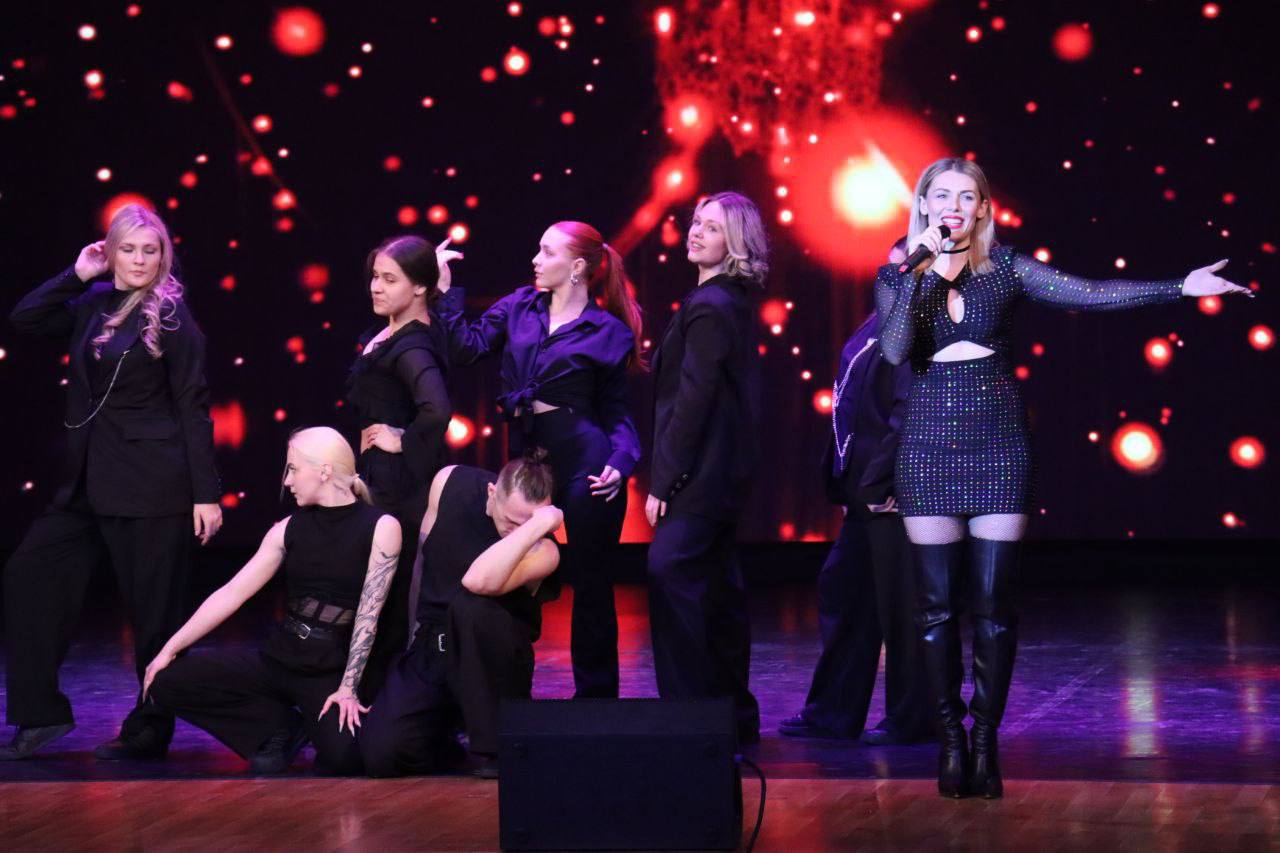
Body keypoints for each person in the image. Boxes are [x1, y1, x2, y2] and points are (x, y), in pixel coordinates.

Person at [875, 157, 1252, 798]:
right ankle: (950, 743)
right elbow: (892, 350)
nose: (954, 207)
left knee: (994, 608)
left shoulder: (1008, 268)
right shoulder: (897, 275)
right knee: (935, 611)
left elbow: (1091, 293)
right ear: (925, 205)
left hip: (998, 448)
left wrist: (1179, 288)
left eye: (967, 197)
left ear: (983, 209)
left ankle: (985, 741)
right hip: (928, 451)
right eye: (942, 195)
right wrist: (920, 270)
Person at [1, 204, 221, 762]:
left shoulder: (172, 316)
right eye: (128, 249)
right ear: (110, 252)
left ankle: (150, 728)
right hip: (85, 483)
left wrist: (205, 493)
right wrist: (77, 273)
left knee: (155, 616)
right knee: (28, 574)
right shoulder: (91, 304)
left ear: (163, 255)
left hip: (152, 484)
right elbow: (25, 319)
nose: (140, 260)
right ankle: (40, 714)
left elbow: (192, 406)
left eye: (151, 250)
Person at [435, 222, 642, 698]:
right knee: (515, 564)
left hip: (586, 458)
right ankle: (505, 687)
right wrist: (445, 292)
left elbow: (615, 411)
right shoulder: (519, 306)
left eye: (547, 252)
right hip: (529, 454)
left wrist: (623, 459)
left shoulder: (607, 332)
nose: (535, 259)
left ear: (576, 267)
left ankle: (596, 699)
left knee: (590, 578)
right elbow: (466, 347)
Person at [145, 428, 399, 775]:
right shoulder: (287, 528)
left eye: (293, 469)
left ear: (324, 470)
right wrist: (169, 649)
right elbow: (232, 593)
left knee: (344, 758)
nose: (287, 481)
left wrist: (347, 689)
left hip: (329, 669)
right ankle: (280, 727)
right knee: (166, 681)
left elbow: (369, 617)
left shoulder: (381, 527)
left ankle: (307, 723)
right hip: (282, 657)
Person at [779, 240, 930, 745]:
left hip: (892, 492)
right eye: (892, 265)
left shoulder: (918, 325)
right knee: (846, 592)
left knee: (902, 607)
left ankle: (914, 718)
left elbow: (908, 411)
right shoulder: (878, 322)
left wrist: (886, 480)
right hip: (865, 491)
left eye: (906, 265)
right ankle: (832, 713)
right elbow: (853, 403)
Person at [645, 191, 768, 744]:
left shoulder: (713, 306)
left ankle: (692, 717)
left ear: (735, 243)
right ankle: (730, 714)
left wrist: (664, 479)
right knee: (716, 587)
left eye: (712, 227)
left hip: (702, 473)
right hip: (719, 471)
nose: (697, 232)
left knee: (669, 569)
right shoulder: (722, 301)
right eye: (696, 222)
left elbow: (692, 400)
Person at [359, 453, 562, 778]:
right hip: (434, 647)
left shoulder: (545, 550)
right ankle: (441, 736)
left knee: (471, 606)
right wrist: (411, 638)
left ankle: (494, 745)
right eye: (512, 521)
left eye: (530, 524)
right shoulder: (450, 482)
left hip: (490, 664)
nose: (517, 532)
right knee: (381, 754)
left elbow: (478, 581)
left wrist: (536, 529)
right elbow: (422, 563)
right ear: (492, 492)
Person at [346, 235, 454, 695]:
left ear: (418, 288)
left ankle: (389, 698)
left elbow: (438, 410)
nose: (376, 286)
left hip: (398, 485)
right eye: (375, 276)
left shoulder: (412, 347)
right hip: (381, 478)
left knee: (389, 591)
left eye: (389, 279)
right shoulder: (393, 331)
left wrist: (402, 440)